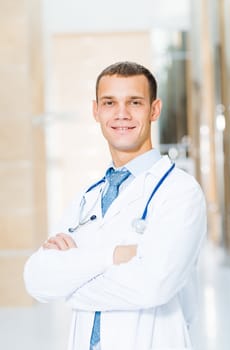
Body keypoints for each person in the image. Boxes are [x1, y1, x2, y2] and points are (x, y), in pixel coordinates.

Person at [24, 61, 207, 350]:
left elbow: (153, 285)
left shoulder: (180, 192)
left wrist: (70, 278)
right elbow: (36, 279)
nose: (122, 114)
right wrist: (114, 255)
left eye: (134, 102)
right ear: (96, 111)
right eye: (110, 103)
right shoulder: (88, 196)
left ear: (154, 109)